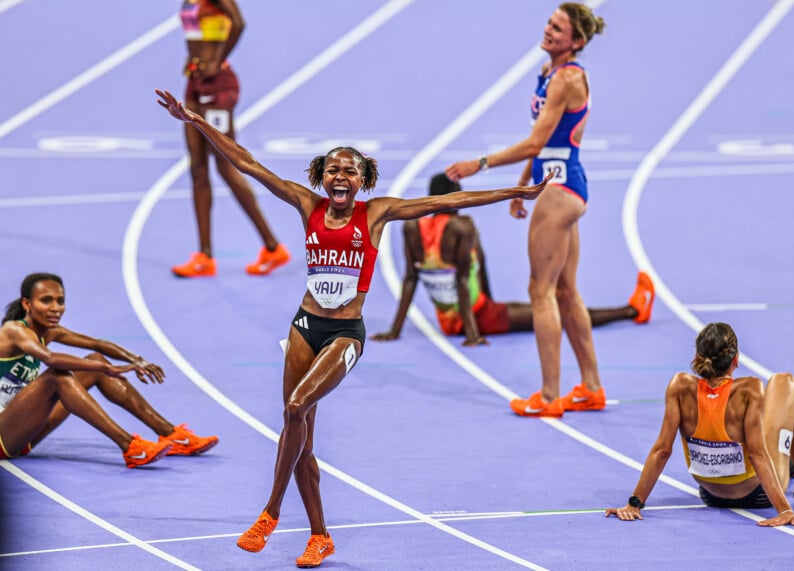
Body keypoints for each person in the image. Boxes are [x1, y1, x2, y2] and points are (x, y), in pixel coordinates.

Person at [155, 87, 553, 568]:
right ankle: (320, 536)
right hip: (304, 326)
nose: (340, 175)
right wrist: (195, 119)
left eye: (350, 170)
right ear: (321, 176)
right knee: (298, 433)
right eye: (333, 169)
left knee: (297, 408)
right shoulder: (307, 205)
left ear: (363, 180)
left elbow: (454, 199)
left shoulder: (377, 212)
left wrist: (517, 191)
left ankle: (270, 512)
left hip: (345, 334)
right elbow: (247, 163)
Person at [445, 3, 614, 419]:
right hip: (558, 183)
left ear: (576, 41)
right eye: (550, 23)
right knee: (565, 290)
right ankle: (591, 386)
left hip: (559, 189)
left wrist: (479, 164)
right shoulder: (549, 72)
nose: (550, 30)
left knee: (539, 291)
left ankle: (550, 394)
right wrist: (523, 185)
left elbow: (536, 143)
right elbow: (547, 139)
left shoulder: (567, 79)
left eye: (560, 29)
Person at [371, 173, 654, 347]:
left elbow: (410, 278)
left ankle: (631, 310)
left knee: (545, 308)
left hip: (448, 320)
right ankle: (631, 311)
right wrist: (473, 332)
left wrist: (394, 330)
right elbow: (461, 280)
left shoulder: (412, 228)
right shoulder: (462, 227)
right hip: (478, 316)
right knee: (559, 312)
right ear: (457, 197)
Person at [0, 273, 219, 468]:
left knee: (93, 361)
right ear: (27, 304)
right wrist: (107, 367)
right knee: (58, 377)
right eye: (46, 300)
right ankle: (131, 447)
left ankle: (172, 434)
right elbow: (51, 358)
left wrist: (136, 360)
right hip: (3, 437)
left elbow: (98, 345)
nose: (55, 307)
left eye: (60, 301)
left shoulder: (49, 332)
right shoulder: (14, 330)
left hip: (23, 430)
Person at [605, 323, 794, 527]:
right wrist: (784, 510)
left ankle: (793, 468)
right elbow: (757, 455)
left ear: (697, 356)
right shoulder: (750, 389)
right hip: (758, 495)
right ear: (736, 359)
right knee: (785, 381)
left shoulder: (679, 386)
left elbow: (662, 450)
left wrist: (634, 503)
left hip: (710, 494)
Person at [173, 0, 290, 278]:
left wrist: (216, 59)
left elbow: (238, 22)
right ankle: (204, 256)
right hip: (194, 82)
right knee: (197, 169)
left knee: (227, 165)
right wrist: (193, 60)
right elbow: (197, 34)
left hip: (218, 86)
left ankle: (273, 248)